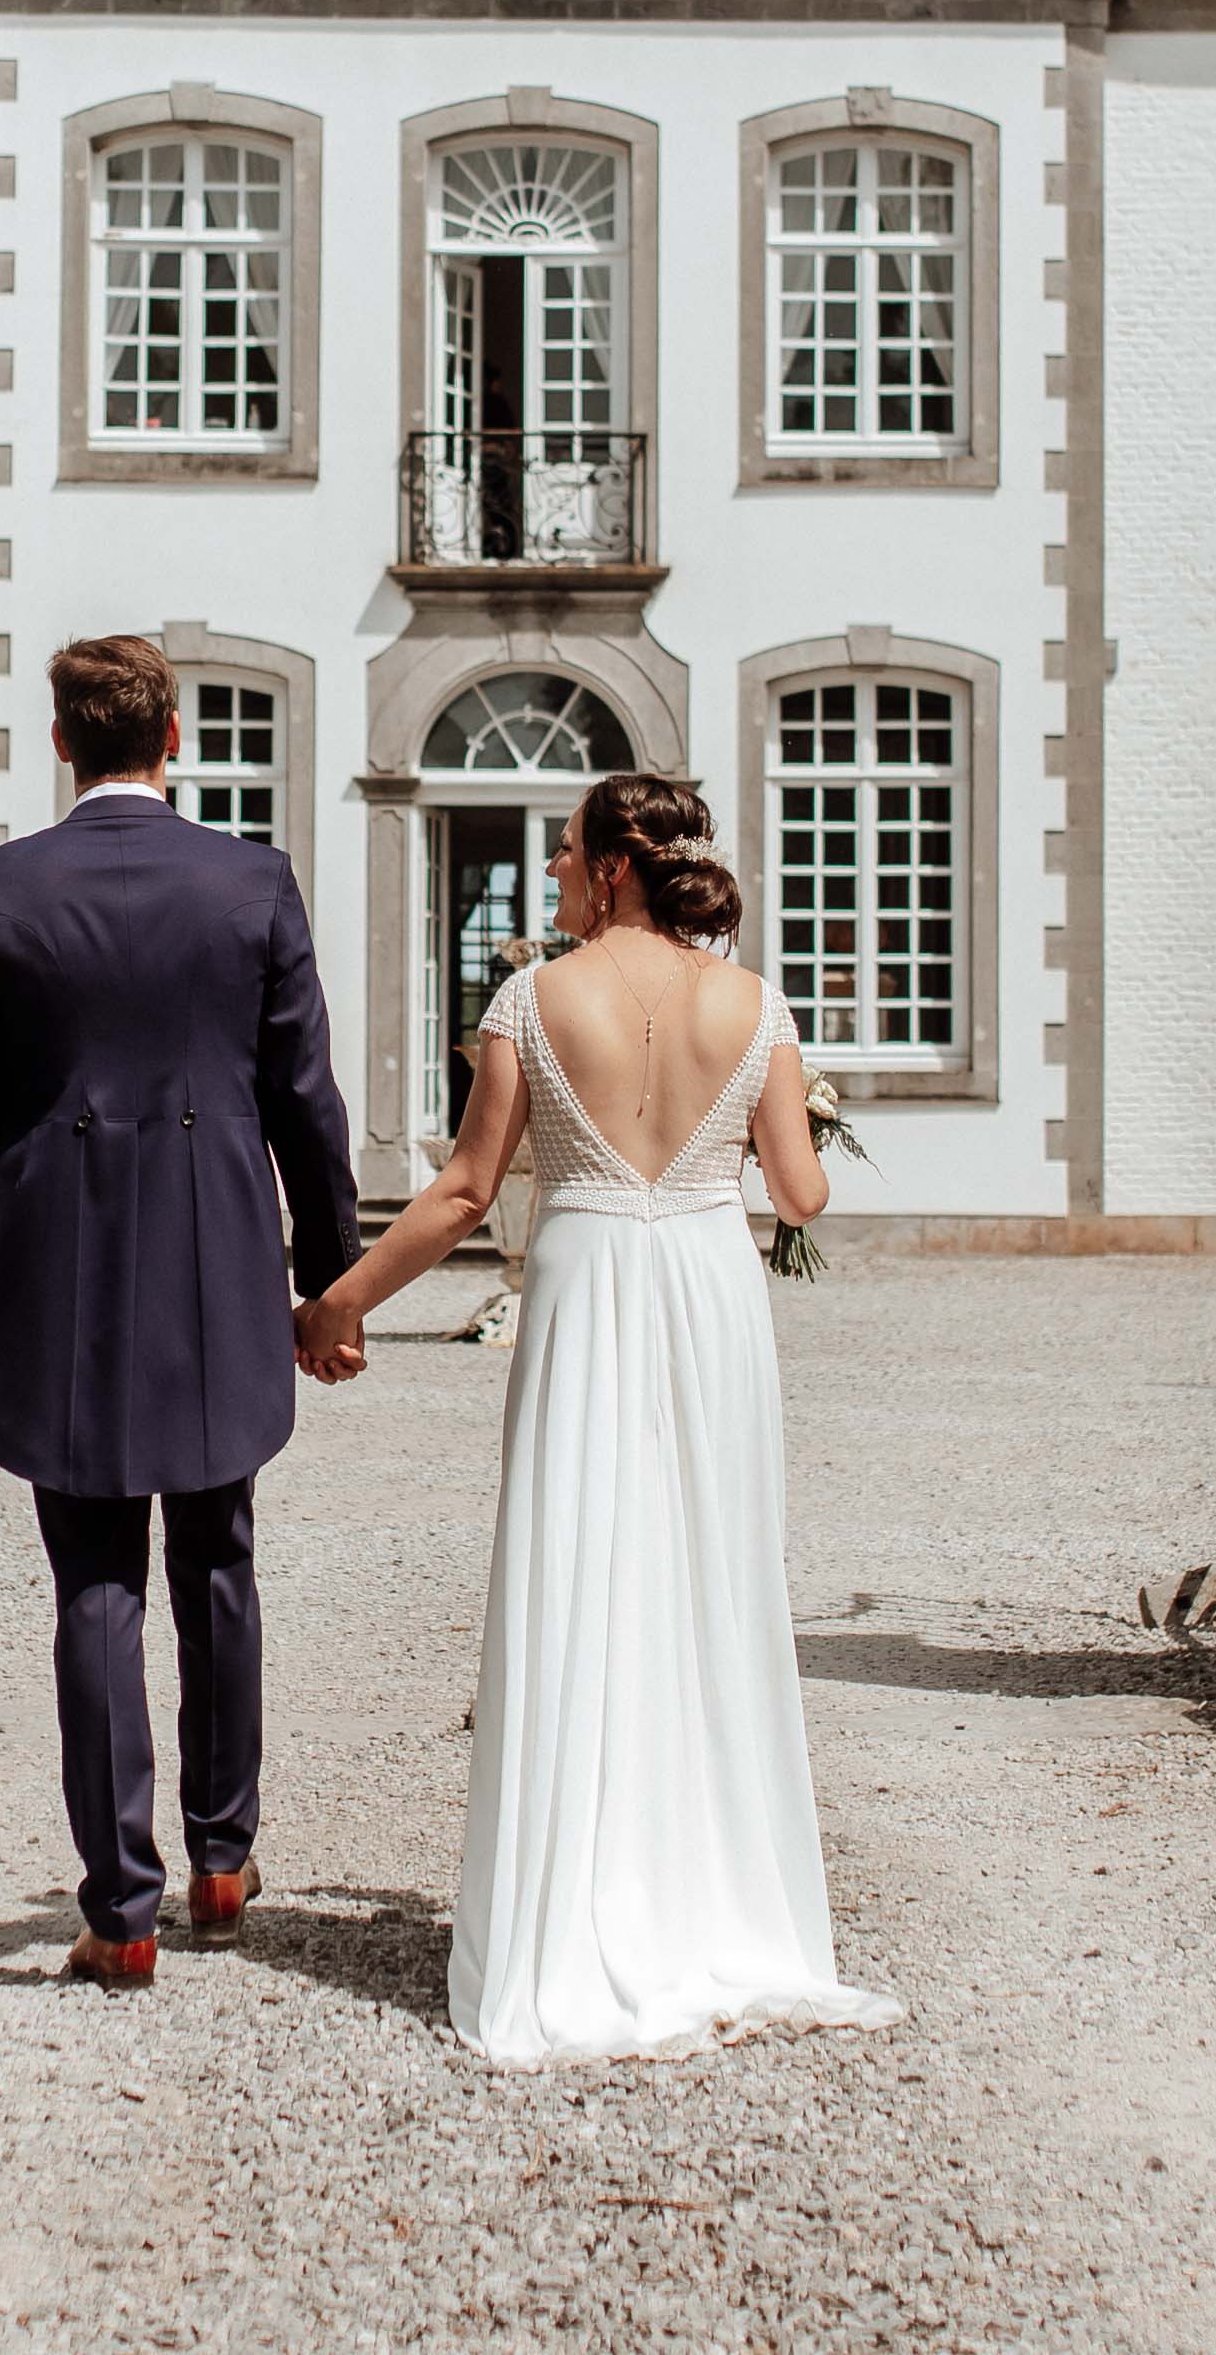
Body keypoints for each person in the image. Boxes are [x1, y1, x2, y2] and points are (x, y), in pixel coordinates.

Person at [299, 769, 898, 2066]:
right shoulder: (755, 1003)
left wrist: (338, 1301)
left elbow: (464, 1193)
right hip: (708, 1293)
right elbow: (797, 1198)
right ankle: (720, 1903)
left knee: (579, 1574)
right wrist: (755, 1125)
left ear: (614, 867)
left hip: (584, 1288)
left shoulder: (533, 996)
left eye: (565, 857)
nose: (555, 877)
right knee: (710, 1583)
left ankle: (569, 1912)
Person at [0, 631, 362, 1988]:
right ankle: (223, 1853)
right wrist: (327, 1275)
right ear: (174, 739)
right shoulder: (252, 883)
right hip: (216, 1252)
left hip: (53, 1261)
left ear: (63, 743)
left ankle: (121, 1911)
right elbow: (306, 1097)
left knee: (94, 1575)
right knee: (218, 1553)